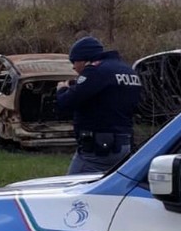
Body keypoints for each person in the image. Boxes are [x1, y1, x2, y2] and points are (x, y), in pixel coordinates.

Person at [57, 36, 142, 174]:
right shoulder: (128, 71)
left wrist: (62, 89)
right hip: (124, 145)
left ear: (85, 60)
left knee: (73, 189)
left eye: (74, 61)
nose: (73, 67)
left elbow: (66, 102)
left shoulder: (95, 71)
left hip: (98, 150)